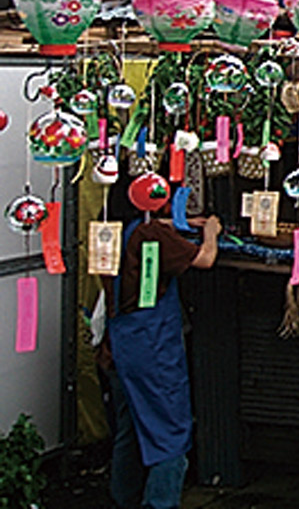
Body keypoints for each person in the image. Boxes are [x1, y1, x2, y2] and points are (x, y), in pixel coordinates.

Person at [103, 196, 221, 509]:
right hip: (151, 351)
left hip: (119, 348)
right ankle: (160, 502)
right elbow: (206, 259)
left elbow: (146, 231)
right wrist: (211, 230)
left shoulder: (113, 227)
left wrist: (177, 224)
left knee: (130, 429)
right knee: (169, 434)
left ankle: (123, 499)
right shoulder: (152, 234)